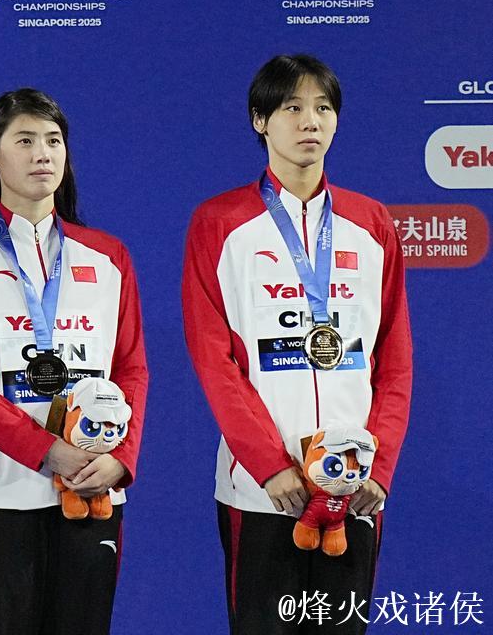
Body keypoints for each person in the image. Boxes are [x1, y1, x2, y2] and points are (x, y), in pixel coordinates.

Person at [182, 54, 412, 634]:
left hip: (354, 487)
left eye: (323, 108)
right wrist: (268, 466)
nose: (310, 121)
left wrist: (378, 467)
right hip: (262, 490)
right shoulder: (219, 223)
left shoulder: (372, 223)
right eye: (292, 107)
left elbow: (394, 359)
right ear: (260, 120)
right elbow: (214, 360)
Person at [0, 88, 149, 635]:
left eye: (53, 140)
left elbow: (131, 369)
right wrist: (46, 450)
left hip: (95, 487)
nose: (42, 154)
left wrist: (121, 458)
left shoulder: (109, 255)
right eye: (24, 141)